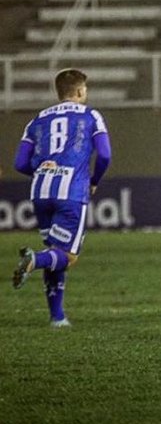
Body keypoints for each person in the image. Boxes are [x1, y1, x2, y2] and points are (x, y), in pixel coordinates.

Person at [11, 68, 112, 327]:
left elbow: (20, 162)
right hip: (71, 191)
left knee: (56, 253)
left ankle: (57, 317)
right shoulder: (91, 116)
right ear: (79, 91)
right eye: (85, 90)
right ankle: (34, 260)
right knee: (66, 256)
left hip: (41, 191)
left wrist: (44, 171)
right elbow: (104, 155)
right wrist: (94, 181)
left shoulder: (36, 120)